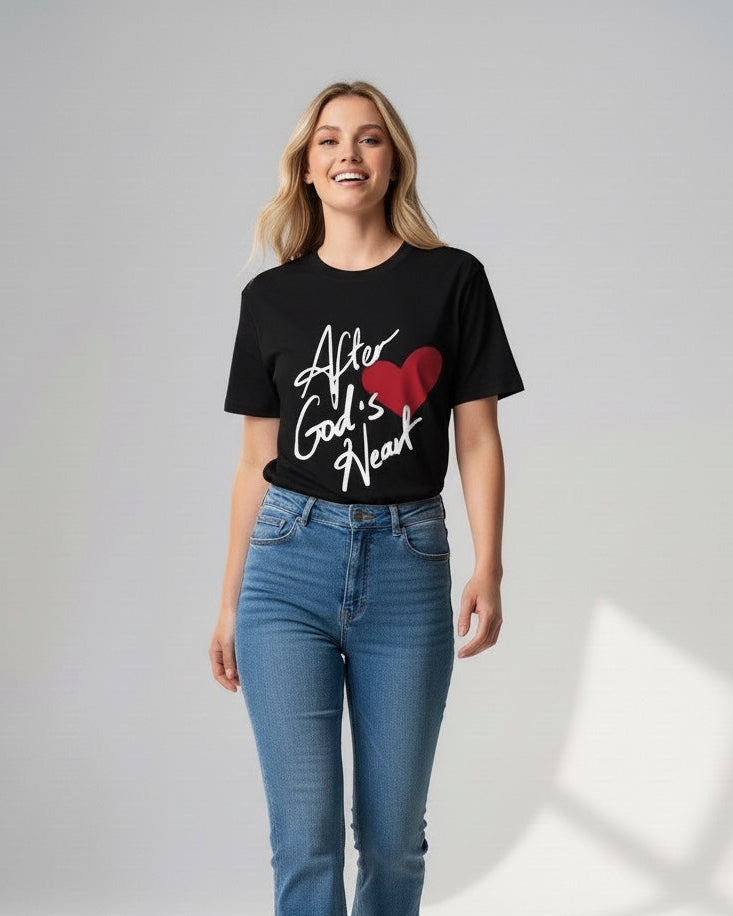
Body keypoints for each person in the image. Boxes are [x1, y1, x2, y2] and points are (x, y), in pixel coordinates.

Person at [209, 79, 525, 916]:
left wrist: (488, 567)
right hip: (286, 567)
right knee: (304, 839)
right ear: (306, 170)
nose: (348, 152)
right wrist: (229, 600)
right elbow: (254, 462)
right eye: (329, 141)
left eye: (369, 138)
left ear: (393, 164)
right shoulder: (269, 299)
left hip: (407, 566)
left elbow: (478, 437)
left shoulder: (451, 280)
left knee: (392, 841)